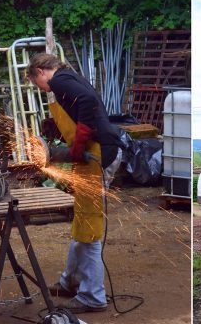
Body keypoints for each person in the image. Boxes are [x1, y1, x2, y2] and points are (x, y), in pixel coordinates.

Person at [27, 53, 124, 314]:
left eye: (37, 83)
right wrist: (58, 128)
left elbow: (89, 103)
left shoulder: (59, 81)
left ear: (40, 71)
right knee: (81, 220)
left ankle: (93, 296)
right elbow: (82, 108)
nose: (40, 87)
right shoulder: (71, 78)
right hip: (98, 153)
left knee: (89, 225)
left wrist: (79, 145)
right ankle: (70, 281)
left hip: (97, 155)